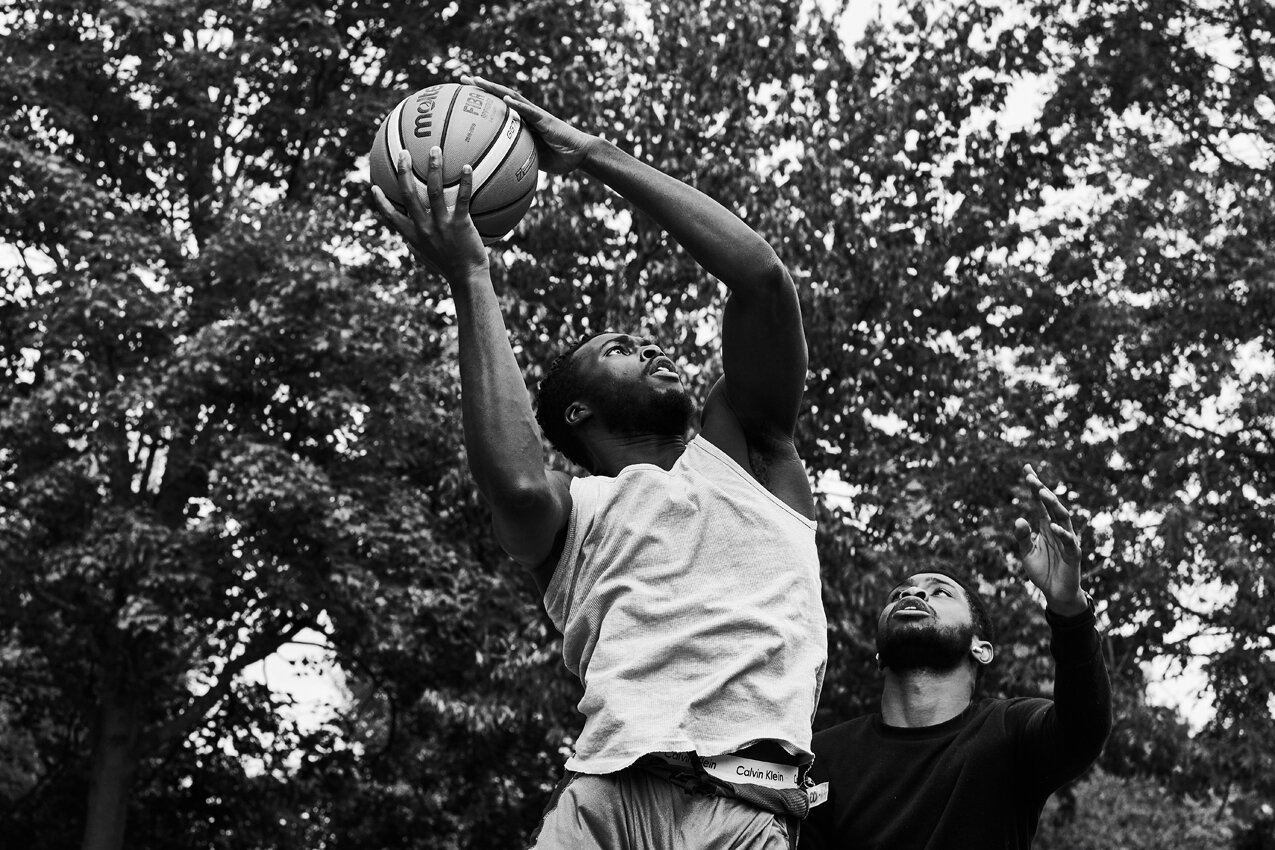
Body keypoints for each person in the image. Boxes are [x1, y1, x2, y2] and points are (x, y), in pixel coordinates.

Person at [371, 75, 826, 850]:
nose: (651, 347)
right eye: (620, 349)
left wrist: (590, 152)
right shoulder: (570, 517)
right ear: (578, 412)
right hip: (606, 803)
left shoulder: (750, 454)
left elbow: (759, 278)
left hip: (742, 812)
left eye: (647, 344)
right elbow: (513, 480)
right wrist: (470, 276)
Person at [800, 464, 1112, 850]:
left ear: (980, 648)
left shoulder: (1008, 733)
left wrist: (1069, 609)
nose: (912, 595)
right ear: (880, 653)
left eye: (940, 592)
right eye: (899, 594)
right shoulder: (820, 757)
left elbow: (1084, 729)